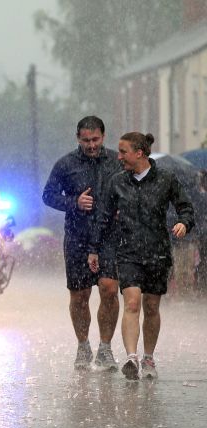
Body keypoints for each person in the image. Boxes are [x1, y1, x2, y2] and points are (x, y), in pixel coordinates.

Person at [88, 132, 194, 380]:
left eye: (124, 152)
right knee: (132, 302)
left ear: (140, 153)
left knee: (152, 306)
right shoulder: (117, 182)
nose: (120, 157)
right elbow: (103, 218)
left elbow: (186, 208)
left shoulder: (166, 179)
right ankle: (131, 358)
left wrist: (184, 224)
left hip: (157, 253)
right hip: (128, 253)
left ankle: (148, 358)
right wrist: (94, 249)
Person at [42, 116, 123, 371]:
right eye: (86, 140)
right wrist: (73, 202)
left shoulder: (116, 162)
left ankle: (106, 348)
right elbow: (48, 195)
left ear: (103, 136)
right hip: (78, 236)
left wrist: (124, 208)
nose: (91, 145)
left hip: (110, 237)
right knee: (80, 296)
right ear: (78, 138)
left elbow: (130, 190)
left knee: (109, 289)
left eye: (95, 139)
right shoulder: (66, 164)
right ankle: (83, 344)